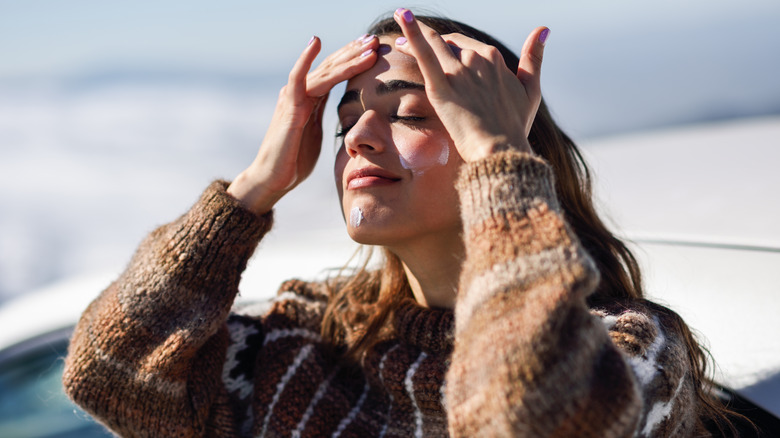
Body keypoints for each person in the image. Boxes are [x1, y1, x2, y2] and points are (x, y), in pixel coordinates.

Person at [63, 8, 737, 437]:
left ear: (505, 151)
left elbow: (528, 417)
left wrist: (498, 159)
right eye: (345, 123)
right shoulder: (305, 341)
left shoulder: (629, 351)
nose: (358, 137)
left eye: (410, 114)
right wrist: (253, 188)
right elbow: (106, 373)